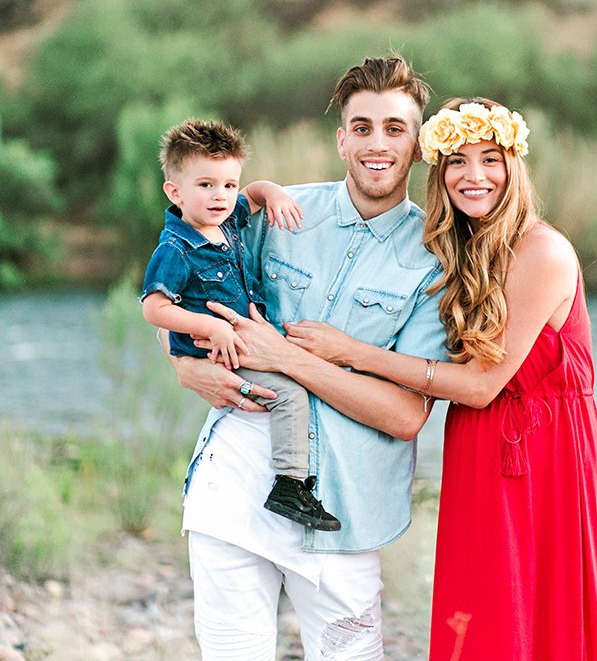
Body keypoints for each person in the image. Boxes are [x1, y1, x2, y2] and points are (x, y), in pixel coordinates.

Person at [285, 98, 597, 661]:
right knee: (479, 613)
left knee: (538, 618)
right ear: (438, 173)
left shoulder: (543, 251)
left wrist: (351, 353)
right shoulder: (460, 250)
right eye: (457, 161)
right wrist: (265, 190)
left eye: (491, 158)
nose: (474, 175)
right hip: (479, 445)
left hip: (546, 454)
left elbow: (483, 384)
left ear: (514, 165)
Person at [164, 55, 448, 661]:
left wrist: (291, 360)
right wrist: (182, 364)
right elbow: (186, 289)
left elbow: (405, 416)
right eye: (363, 126)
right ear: (342, 139)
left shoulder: (435, 262)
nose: (378, 143)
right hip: (235, 490)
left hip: (346, 513)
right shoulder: (277, 214)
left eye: (395, 128)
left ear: (419, 144)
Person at [141, 118, 341, 531]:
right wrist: (210, 327)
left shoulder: (227, 222)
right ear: (174, 192)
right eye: (206, 185)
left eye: (228, 185)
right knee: (288, 392)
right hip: (217, 347)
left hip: (243, 335)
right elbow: (155, 308)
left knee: (304, 357)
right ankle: (289, 484)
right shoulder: (176, 248)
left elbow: (254, 192)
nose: (222, 196)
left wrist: (273, 193)